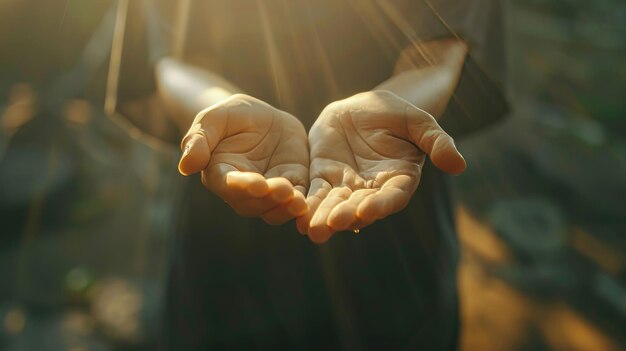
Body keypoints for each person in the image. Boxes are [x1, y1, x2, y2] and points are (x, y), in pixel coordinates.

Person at [120, 0, 507, 349]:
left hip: (383, 185)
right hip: (233, 197)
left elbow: (438, 50)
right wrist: (219, 110)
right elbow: (172, 54)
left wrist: (397, 106)